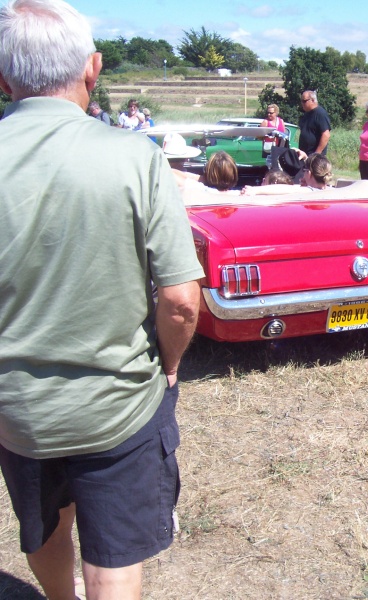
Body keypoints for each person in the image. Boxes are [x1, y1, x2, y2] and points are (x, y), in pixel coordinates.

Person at [0, 2, 205, 599]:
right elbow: (181, 301)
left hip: (18, 410)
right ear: (93, 69)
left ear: (4, 80)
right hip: (118, 405)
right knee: (112, 551)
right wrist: (169, 365)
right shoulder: (133, 156)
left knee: (42, 527)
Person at [298, 90, 331, 155]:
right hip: (304, 154)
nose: (302, 103)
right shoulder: (307, 114)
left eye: (304, 101)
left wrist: (316, 154)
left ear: (313, 100)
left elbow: (326, 135)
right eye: (301, 101)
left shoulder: (320, 113)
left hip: (314, 156)